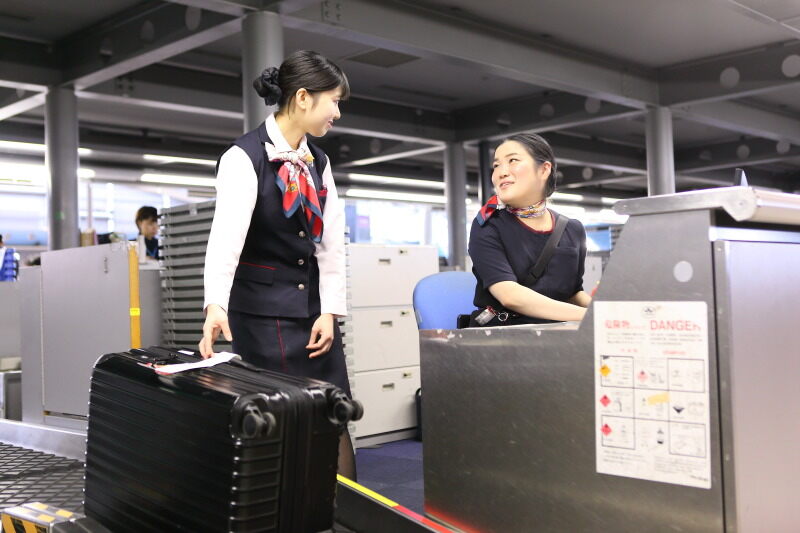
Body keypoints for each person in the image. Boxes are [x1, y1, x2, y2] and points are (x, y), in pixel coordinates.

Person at [199, 50, 355, 479]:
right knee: (280, 421)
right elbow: (224, 241)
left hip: (313, 318)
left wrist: (329, 310)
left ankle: (340, 516)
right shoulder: (243, 158)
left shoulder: (318, 162)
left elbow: (329, 243)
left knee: (333, 412)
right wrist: (215, 304)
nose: (337, 113)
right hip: (264, 319)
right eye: (334, 101)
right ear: (303, 98)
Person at [468, 133, 591, 327]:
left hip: (557, 333)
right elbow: (510, 296)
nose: (501, 172)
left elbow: (573, 293)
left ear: (544, 170)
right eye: (497, 165)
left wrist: (604, 311)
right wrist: (590, 317)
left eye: (513, 160)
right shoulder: (488, 225)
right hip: (505, 337)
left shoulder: (572, 228)